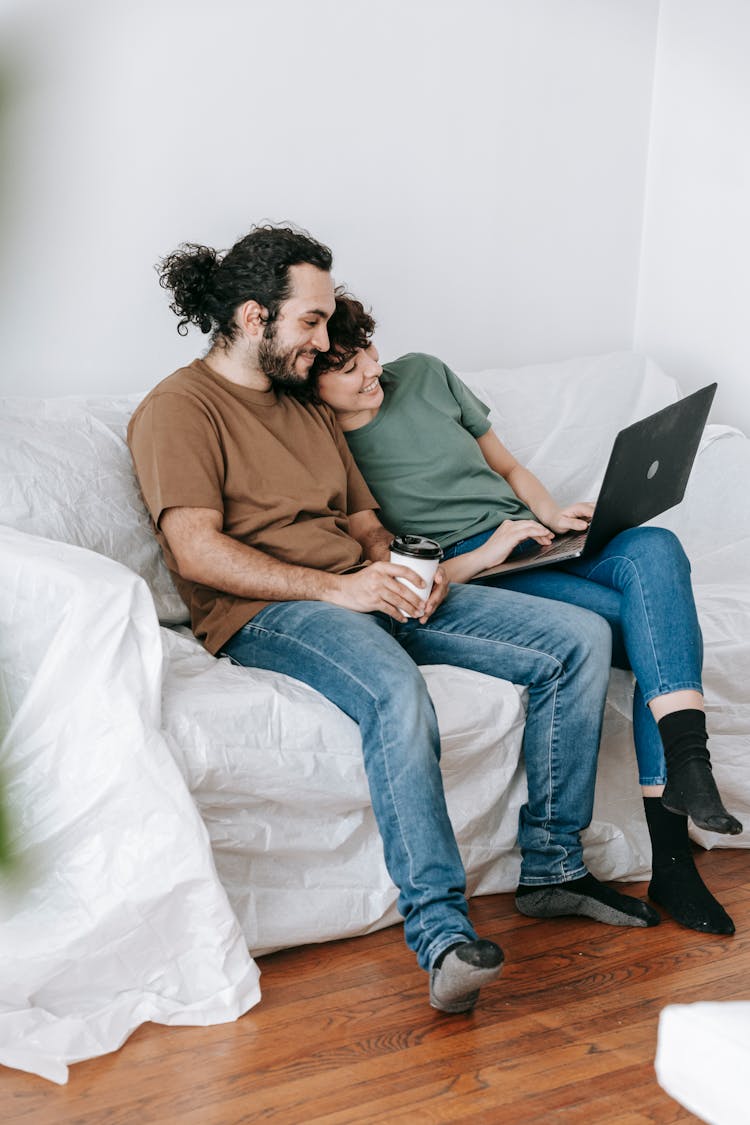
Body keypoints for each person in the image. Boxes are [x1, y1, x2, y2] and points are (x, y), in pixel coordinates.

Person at [128, 224, 659, 1018]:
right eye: (310, 320)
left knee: (578, 641)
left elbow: (366, 519)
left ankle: (553, 869)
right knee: (394, 688)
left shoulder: (304, 406)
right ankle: (444, 933)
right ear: (251, 317)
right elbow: (196, 550)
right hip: (272, 611)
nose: (324, 337)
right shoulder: (180, 408)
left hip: (366, 587)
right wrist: (336, 590)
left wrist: (401, 573)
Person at [312, 291, 743, 938]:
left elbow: (508, 466)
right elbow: (406, 572)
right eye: (347, 367)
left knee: (655, 544)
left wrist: (550, 516)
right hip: (485, 567)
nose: (372, 369)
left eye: (369, 349)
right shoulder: (323, 448)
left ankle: (689, 762)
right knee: (649, 630)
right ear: (312, 379)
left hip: (534, 539)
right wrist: (489, 550)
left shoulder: (425, 372)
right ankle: (675, 859)